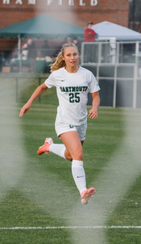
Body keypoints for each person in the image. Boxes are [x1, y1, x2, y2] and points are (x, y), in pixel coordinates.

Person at [19, 43, 100, 205]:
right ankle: (83, 192)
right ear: (63, 57)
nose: (72, 58)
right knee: (78, 154)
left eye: (75, 54)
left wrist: (95, 107)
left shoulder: (87, 75)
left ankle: (48, 146)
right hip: (64, 121)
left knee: (71, 156)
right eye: (69, 55)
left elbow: (96, 96)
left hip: (81, 122)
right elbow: (42, 87)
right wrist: (28, 103)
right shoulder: (58, 75)